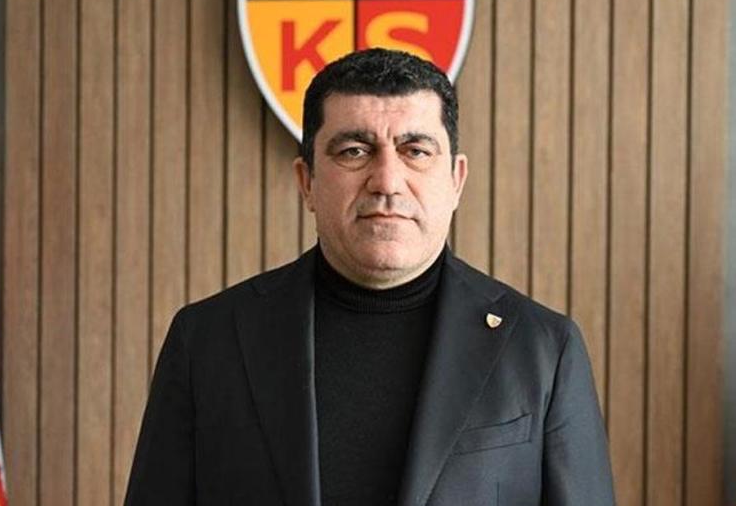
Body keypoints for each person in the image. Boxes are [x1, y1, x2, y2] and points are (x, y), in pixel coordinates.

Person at [125, 48, 615, 505]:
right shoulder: (207, 341)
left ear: (456, 180)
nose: (386, 181)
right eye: (354, 151)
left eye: (415, 151)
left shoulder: (543, 349)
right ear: (307, 181)